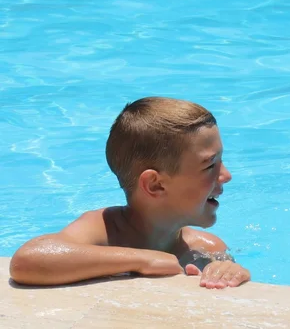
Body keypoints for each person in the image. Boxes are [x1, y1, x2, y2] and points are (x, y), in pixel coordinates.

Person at [9, 96, 251, 289]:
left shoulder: (208, 247)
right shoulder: (101, 229)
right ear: (155, 185)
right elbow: (27, 261)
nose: (226, 175)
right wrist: (142, 259)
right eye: (210, 165)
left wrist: (232, 272)